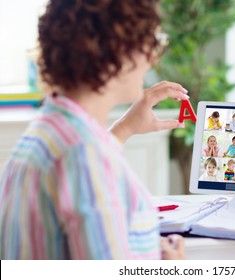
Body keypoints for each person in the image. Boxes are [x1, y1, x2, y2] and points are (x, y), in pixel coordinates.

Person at [0, 0, 186, 260]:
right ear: (118, 50)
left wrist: (124, 128)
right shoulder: (85, 155)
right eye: (152, 42)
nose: (154, 58)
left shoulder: (46, 133)